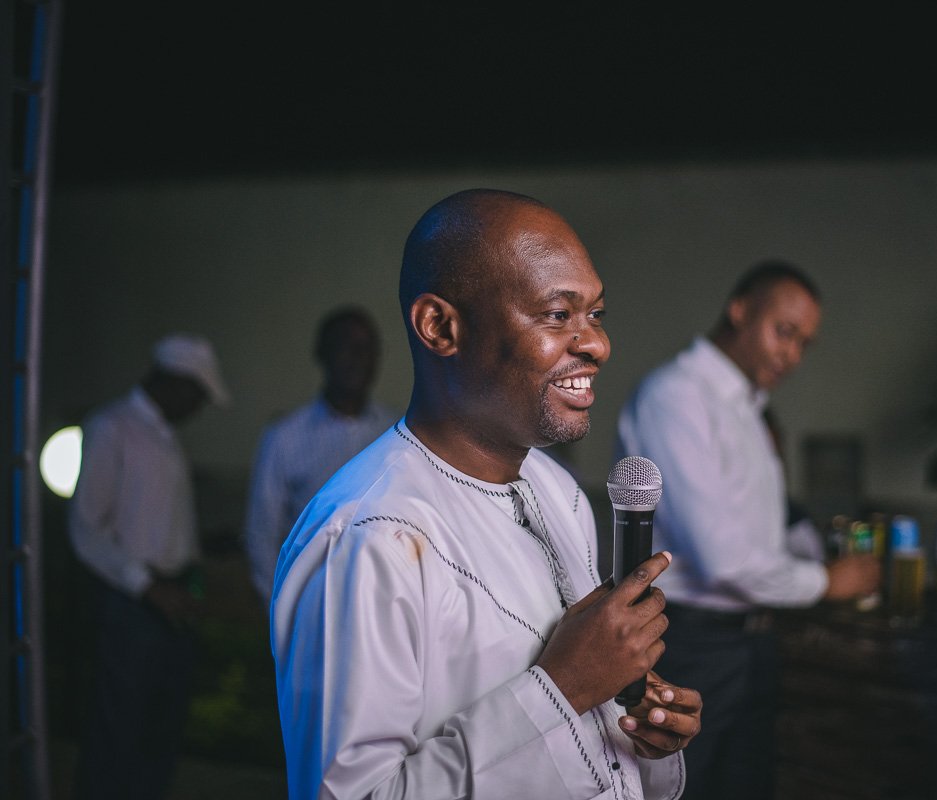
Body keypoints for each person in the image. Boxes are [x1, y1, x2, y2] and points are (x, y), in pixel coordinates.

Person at [272, 189, 701, 799]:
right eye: (558, 315)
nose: (598, 345)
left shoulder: (556, 490)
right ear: (440, 326)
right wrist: (561, 691)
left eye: (596, 315)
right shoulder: (368, 537)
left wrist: (634, 721)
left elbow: (578, 733)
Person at [614, 260, 881, 800]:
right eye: (784, 332)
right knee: (686, 789)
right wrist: (829, 582)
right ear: (739, 310)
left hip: (752, 639)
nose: (792, 355)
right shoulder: (678, 396)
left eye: (805, 343)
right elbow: (725, 559)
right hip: (692, 641)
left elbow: (766, 533)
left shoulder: (749, 410)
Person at [68, 333, 231, 800]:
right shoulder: (113, 427)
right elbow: (86, 529)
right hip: (133, 605)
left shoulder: (165, 436)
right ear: (176, 382)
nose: (197, 409)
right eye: (197, 397)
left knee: (161, 730)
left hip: (173, 600)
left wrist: (201, 550)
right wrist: (148, 587)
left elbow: (155, 527)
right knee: (119, 728)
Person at [243, 305, 397, 607]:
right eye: (347, 347)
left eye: (367, 349)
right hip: (311, 603)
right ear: (323, 354)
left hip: (382, 604)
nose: (358, 358)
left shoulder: (396, 434)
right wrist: (281, 608)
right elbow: (261, 533)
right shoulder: (285, 436)